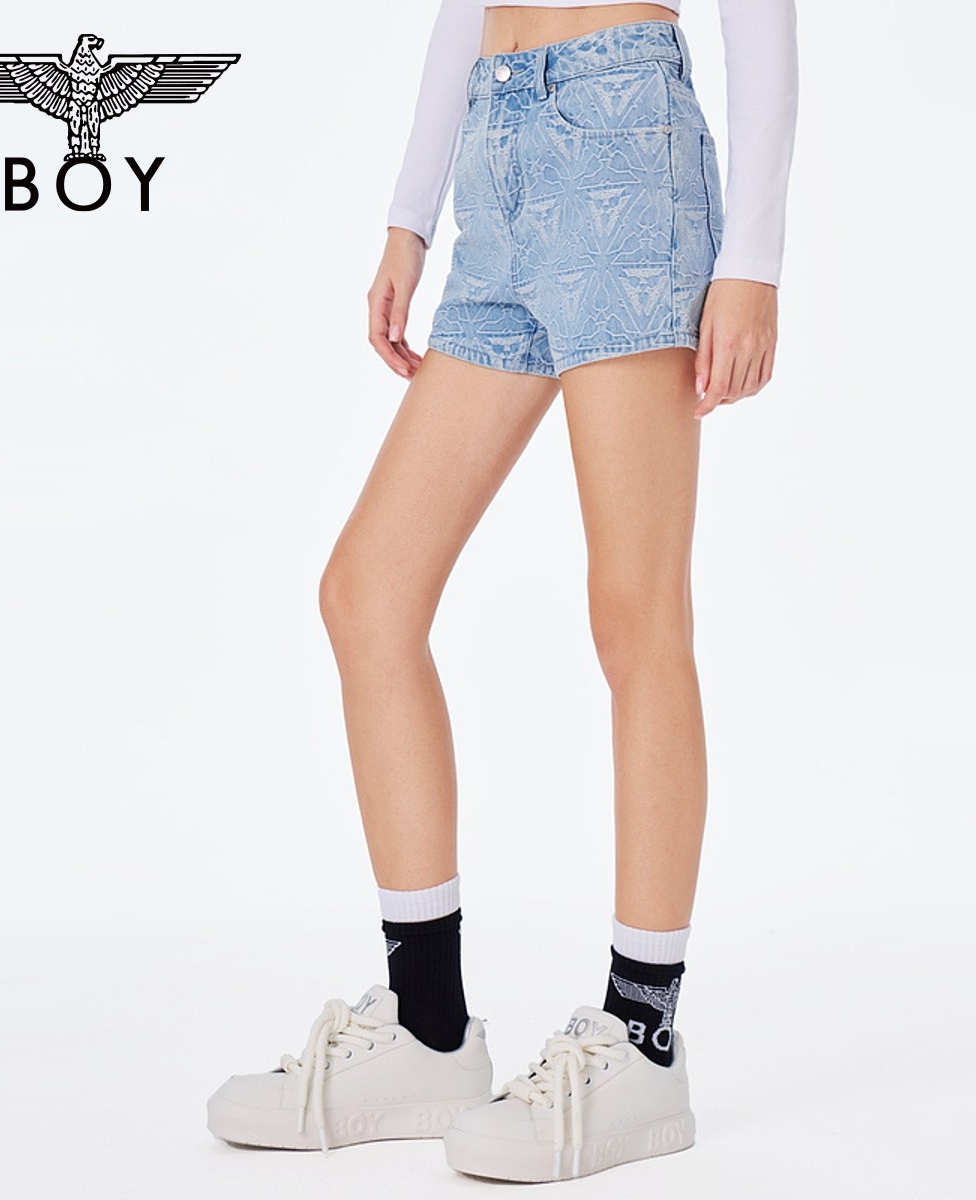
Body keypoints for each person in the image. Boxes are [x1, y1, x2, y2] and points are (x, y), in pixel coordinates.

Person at [207, 0, 797, 1181]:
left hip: (623, 140)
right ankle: (427, 1027)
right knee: (368, 593)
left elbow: (761, 17)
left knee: (635, 615)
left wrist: (753, 261)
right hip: (500, 149)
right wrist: (409, 218)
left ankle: (642, 1036)